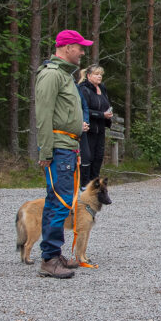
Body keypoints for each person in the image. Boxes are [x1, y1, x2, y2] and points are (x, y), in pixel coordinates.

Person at [35, 29, 93, 279]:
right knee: (60, 202)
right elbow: (43, 114)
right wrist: (46, 151)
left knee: (58, 201)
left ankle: (52, 253)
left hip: (67, 146)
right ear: (67, 47)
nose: (82, 52)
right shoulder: (51, 75)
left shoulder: (64, 76)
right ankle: (49, 259)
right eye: (79, 47)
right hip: (58, 148)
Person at [76, 65, 112, 186]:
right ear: (89, 76)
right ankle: (84, 184)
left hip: (100, 128)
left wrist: (108, 113)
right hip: (88, 129)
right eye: (96, 74)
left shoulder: (102, 88)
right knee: (88, 157)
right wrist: (102, 114)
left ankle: (94, 184)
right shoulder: (83, 89)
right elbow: (84, 109)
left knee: (98, 157)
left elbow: (105, 103)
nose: (99, 76)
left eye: (101, 74)